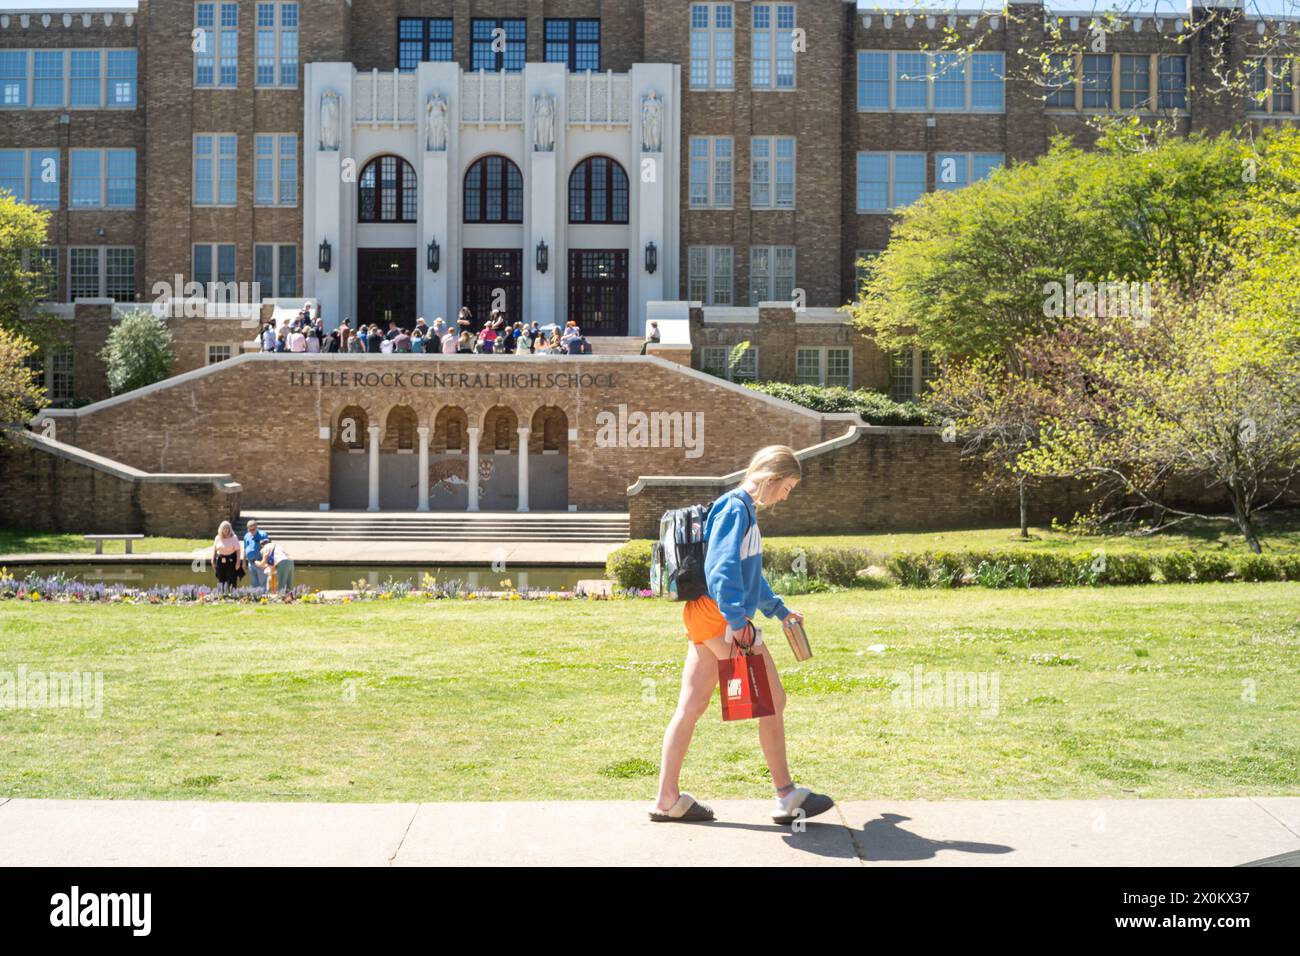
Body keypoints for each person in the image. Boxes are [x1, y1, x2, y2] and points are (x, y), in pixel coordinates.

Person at [651, 445, 834, 826]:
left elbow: (749, 574)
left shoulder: (741, 508)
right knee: (772, 699)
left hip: (705, 615)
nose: (786, 496)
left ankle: (667, 799)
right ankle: (786, 795)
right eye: (787, 487)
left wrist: (779, 610)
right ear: (771, 478)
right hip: (721, 619)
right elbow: (721, 568)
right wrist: (738, 623)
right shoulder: (736, 508)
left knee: (691, 707)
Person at [212, 520, 244, 590]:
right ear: (221, 529)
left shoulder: (234, 537)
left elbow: (238, 550)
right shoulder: (217, 537)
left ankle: (232, 595)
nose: (226, 530)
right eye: (224, 528)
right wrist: (213, 560)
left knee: (231, 578)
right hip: (220, 560)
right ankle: (221, 595)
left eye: (227, 528)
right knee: (220, 578)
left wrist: (238, 562)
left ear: (230, 529)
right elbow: (214, 549)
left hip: (231, 560)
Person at [242, 519, 270, 590]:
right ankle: (255, 598)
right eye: (249, 530)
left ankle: (264, 598)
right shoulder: (246, 536)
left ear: (256, 527)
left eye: (253, 529)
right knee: (254, 583)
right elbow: (245, 549)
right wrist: (244, 562)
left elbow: (268, 549)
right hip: (251, 563)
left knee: (263, 583)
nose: (251, 531)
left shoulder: (263, 535)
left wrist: (264, 562)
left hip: (261, 562)